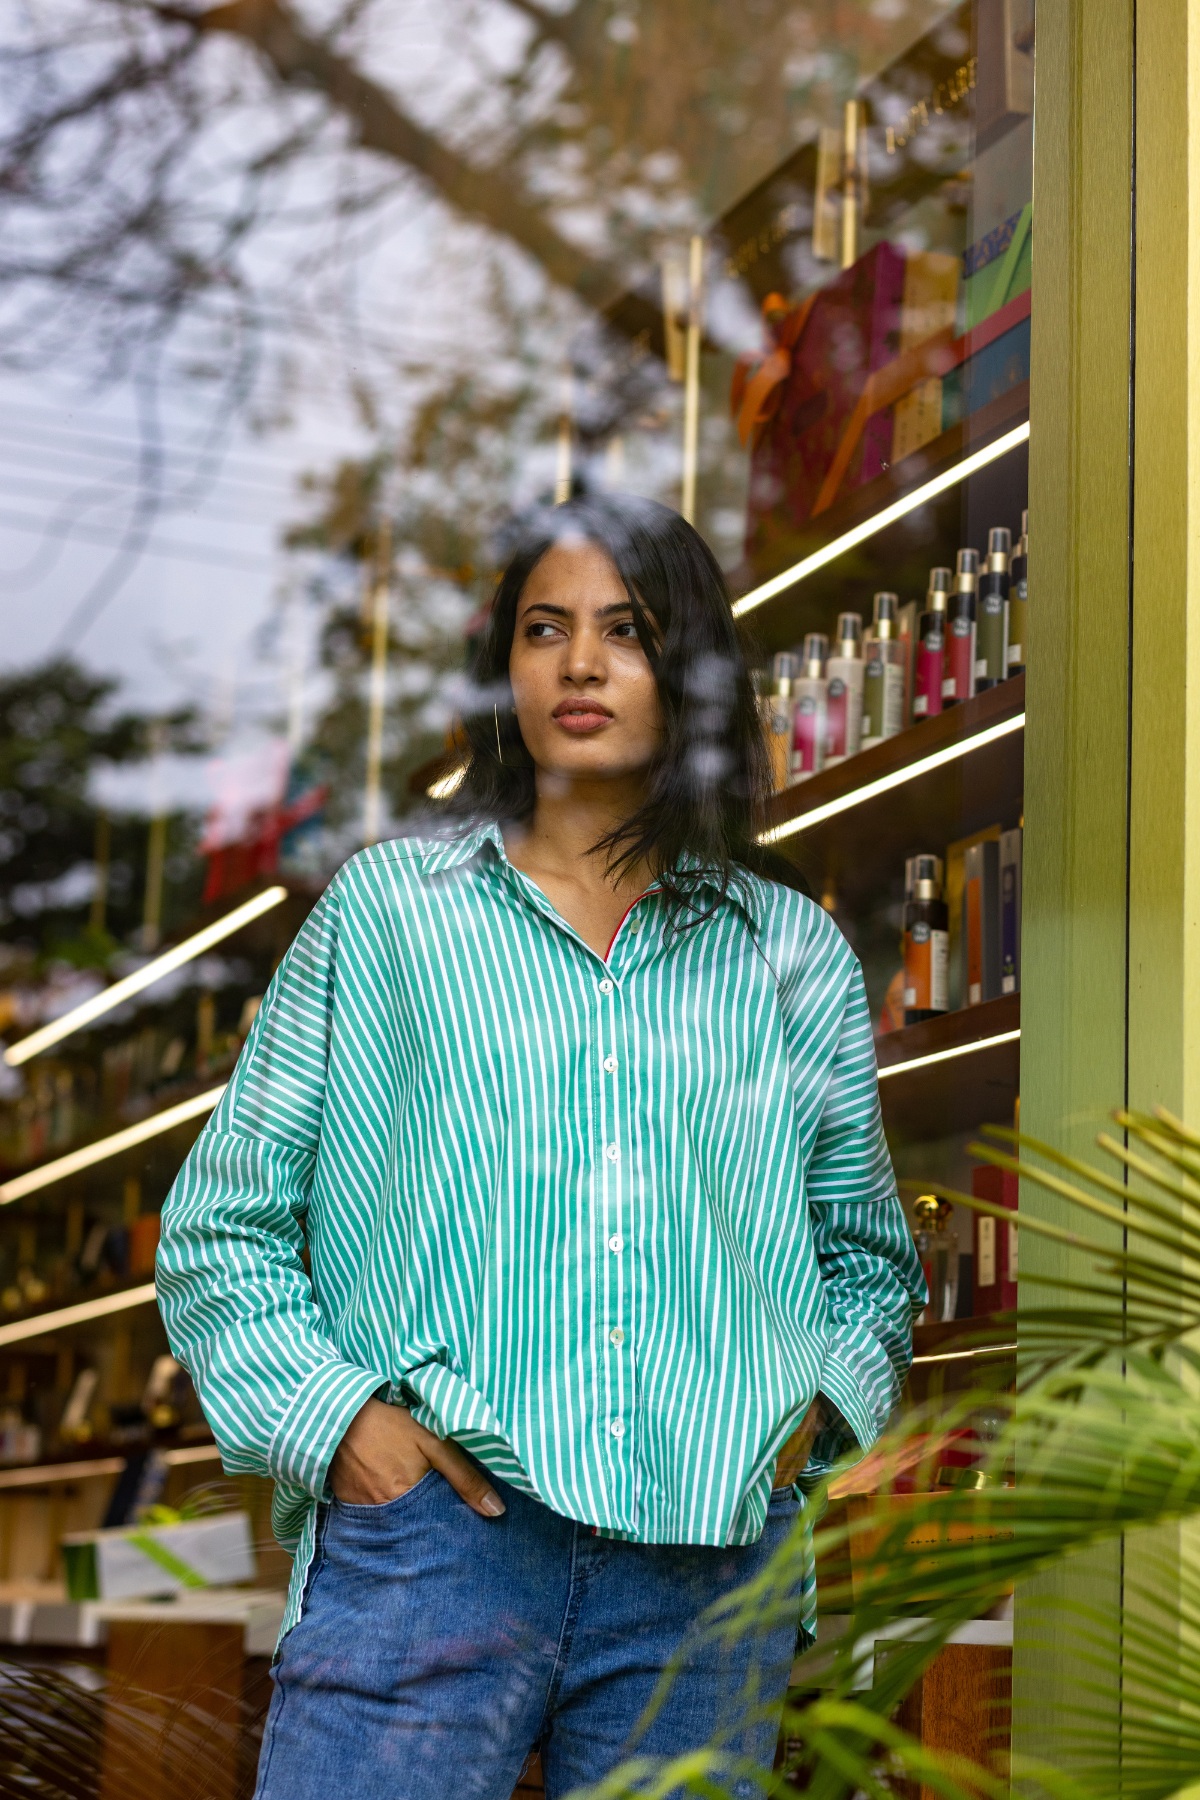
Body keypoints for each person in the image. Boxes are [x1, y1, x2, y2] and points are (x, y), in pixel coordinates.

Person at [157, 494, 925, 1799]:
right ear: (505, 668)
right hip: (433, 1552)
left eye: (627, 632)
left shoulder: (787, 953)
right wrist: (345, 1428)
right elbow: (220, 1229)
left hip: (706, 1572)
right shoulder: (392, 916)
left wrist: (801, 1423)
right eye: (544, 628)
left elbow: (867, 1264)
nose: (578, 663)